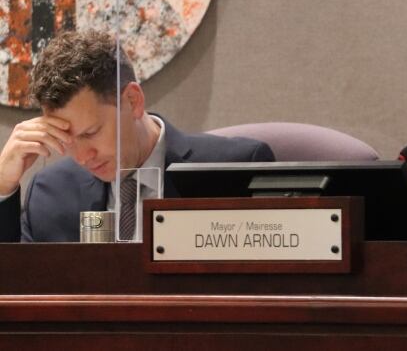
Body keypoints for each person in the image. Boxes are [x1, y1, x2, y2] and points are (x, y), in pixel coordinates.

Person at [0, 30, 275, 242]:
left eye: (91, 133)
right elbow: (19, 294)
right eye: (68, 141)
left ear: (133, 100)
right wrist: (2, 187)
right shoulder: (51, 192)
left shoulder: (235, 171)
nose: (82, 157)